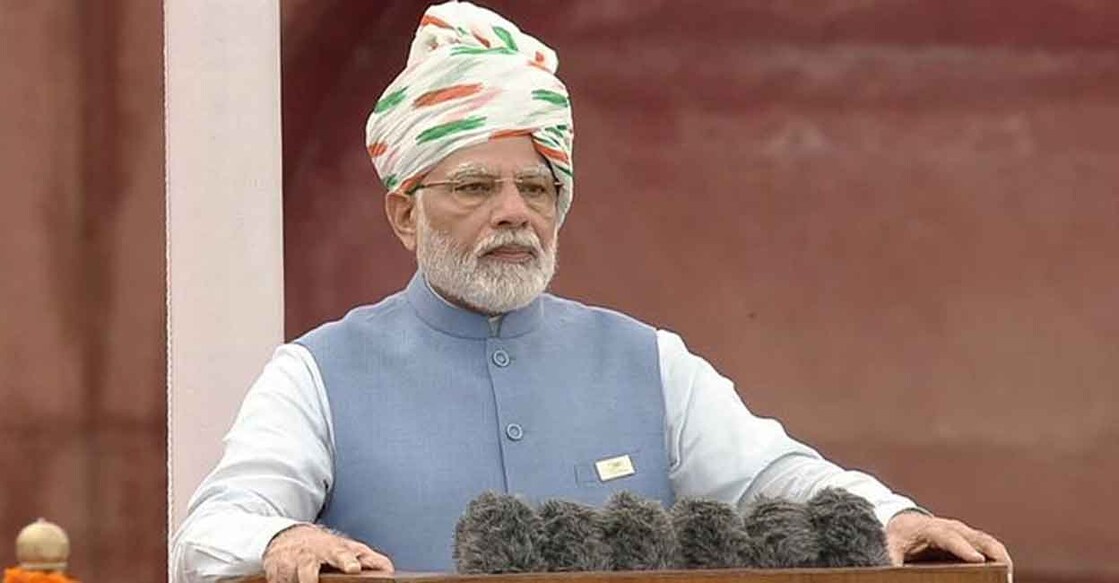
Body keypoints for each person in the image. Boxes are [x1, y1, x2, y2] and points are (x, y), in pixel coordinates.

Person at [170, 2, 1012, 582]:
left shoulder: (644, 359)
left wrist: (889, 519)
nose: (513, 214)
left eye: (537, 190)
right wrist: (283, 536)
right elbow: (214, 527)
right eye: (474, 188)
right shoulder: (317, 373)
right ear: (404, 211)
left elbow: (772, 477)